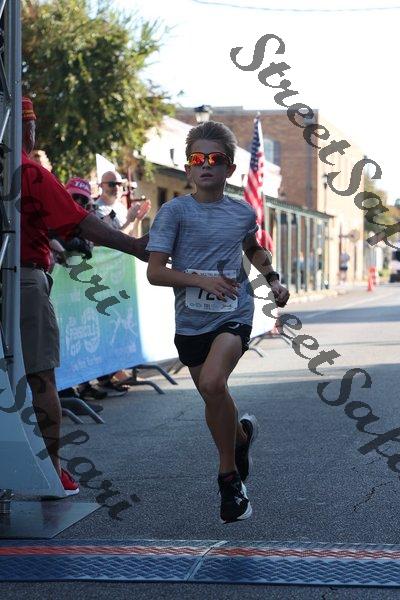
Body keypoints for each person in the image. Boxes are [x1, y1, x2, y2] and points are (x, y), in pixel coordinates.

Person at [146, 121, 289, 523]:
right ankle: (239, 438)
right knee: (213, 394)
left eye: (215, 159)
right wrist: (200, 280)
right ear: (188, 168)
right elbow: (155, 272)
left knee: (212, 383)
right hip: (191, 321)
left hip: (234, 312)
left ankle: (229, 479)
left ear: (230, 169)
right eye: (198, 158)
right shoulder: (174, 212)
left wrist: (273, 281)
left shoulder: (241, 212)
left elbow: (253, 249)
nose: (206, 164)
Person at [20, 97, 148, 495]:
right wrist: (134, 246)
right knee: (41, 375)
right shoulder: (29, 171)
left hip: (25, 275)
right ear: (27, 129)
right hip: (23, 280)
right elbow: (79, 222)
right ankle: (51, 472)